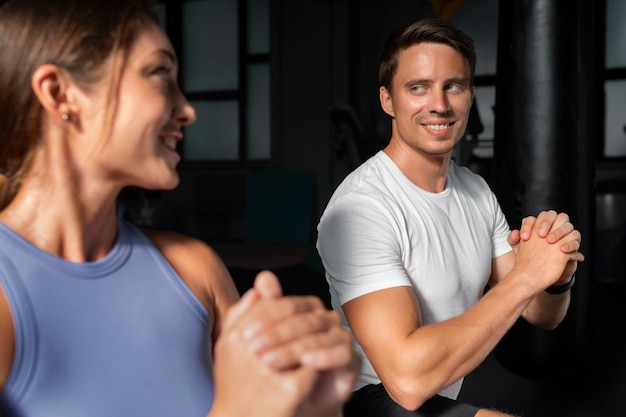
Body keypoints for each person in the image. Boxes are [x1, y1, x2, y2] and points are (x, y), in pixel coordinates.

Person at [0, 1, 359, 416]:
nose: (187, 110)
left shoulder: (195, 270)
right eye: (160, 73)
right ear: (60, 93)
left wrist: (316, 403)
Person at [316, 17, 584, 417]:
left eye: (453, 86)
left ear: (470, 95)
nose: (438, 105)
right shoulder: (361, 209)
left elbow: (542, 314)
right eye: (418, 88)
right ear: (388, 100)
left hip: (427, 391)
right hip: (367, 398)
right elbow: (406, 382)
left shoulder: (475, 192)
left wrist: (556, 273)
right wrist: (528, 275)